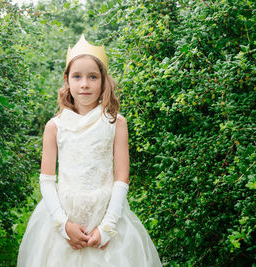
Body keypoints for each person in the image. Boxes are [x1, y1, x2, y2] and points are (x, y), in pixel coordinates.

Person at [17, 34, 162, 267]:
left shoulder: (116, 123)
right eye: (77, 76)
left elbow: (121, 178)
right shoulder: (55, 126)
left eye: (92, 77)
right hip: (64, 217)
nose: (84, 84)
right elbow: (46, 179)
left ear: (104, 81)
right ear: (67, 80)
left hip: (106, 216)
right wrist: (63, 225)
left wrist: (107, 228)